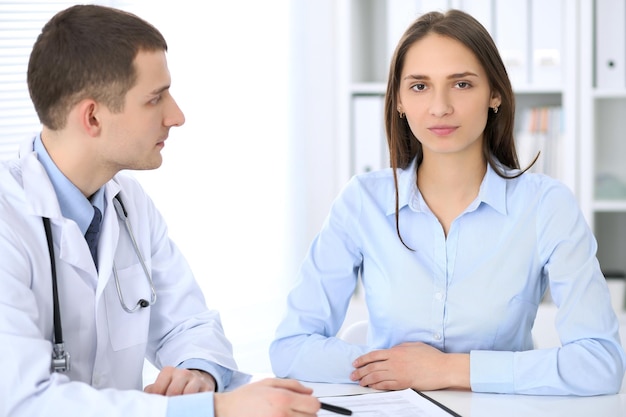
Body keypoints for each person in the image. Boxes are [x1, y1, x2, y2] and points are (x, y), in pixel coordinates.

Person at [270, 9, 626, 396]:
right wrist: (393, 367)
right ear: (400, 101)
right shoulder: (362, 202)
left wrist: (447, 369)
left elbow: (599, 363)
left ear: (494, 94)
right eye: (419, 86)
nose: (440, 107)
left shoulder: (546, 206)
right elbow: (291, 347)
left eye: (461, 84)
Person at [0, 5, 320, 417]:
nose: (177, 116)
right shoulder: (10, 223)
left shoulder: (128, 205)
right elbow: (22, 401)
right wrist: (213, 409)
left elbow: (190, 325)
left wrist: (198, 373)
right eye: (155, 99)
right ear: (92, 116)